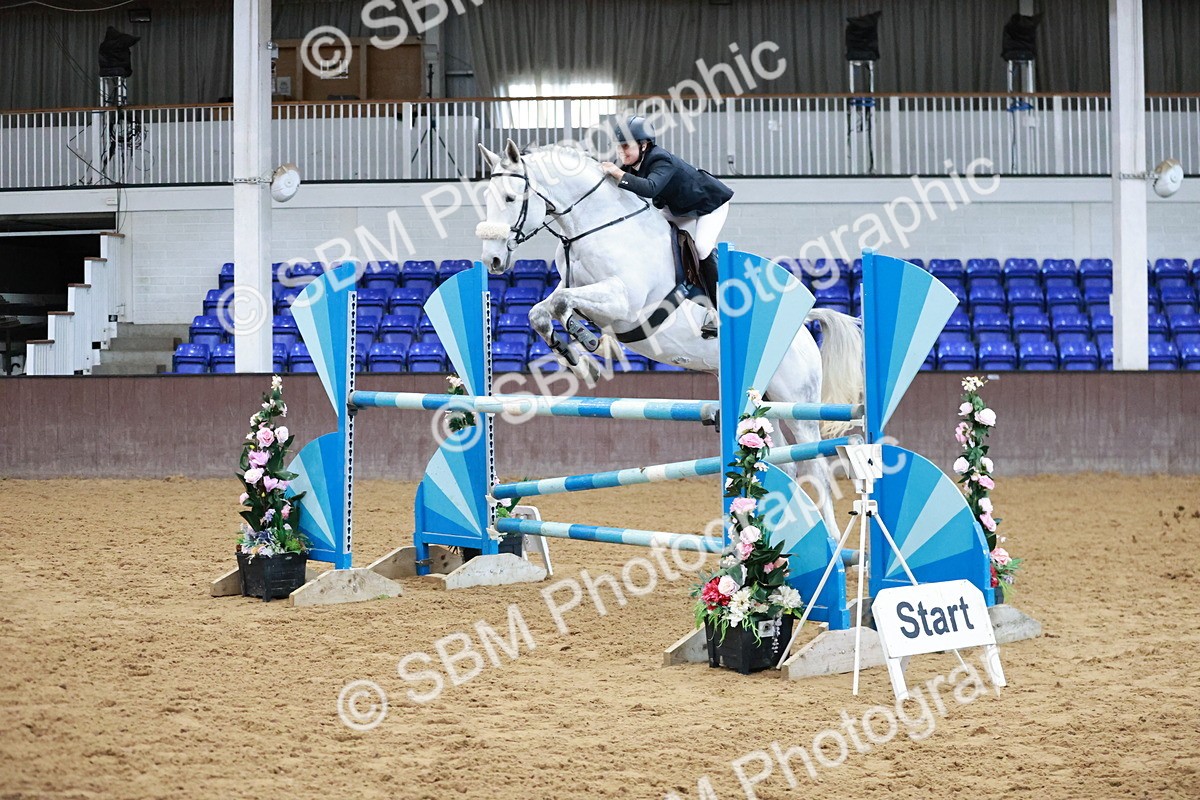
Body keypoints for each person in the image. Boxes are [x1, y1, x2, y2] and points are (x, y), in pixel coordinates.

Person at [599, 115, 732, 337]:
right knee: (651, 234)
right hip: (679, 207)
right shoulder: (632, 164)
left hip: (709, 204)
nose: (622, 152)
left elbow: (650, 188)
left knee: (701, 247)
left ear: (644, 145)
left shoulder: (661, 159)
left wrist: (617, 173)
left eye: (626, 147)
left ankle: (717, 310)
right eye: (618, 147)